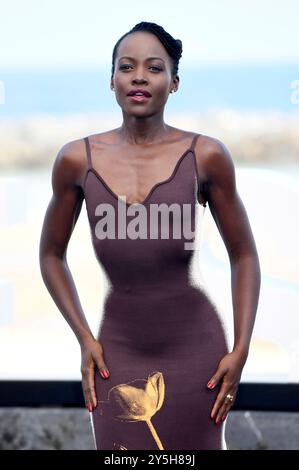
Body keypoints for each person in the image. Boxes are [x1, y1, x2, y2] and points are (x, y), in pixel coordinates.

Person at [39, 21, 261, 450]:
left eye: (154, 68)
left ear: (174, 83)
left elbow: (244, 255)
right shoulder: (75, 160)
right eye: (127, 66)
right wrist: (84, 336)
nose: (139, 76)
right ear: (112, 80)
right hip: (115, 355)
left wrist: (241, 348)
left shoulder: (207, 156)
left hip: (198, 354)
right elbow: (51, 254)